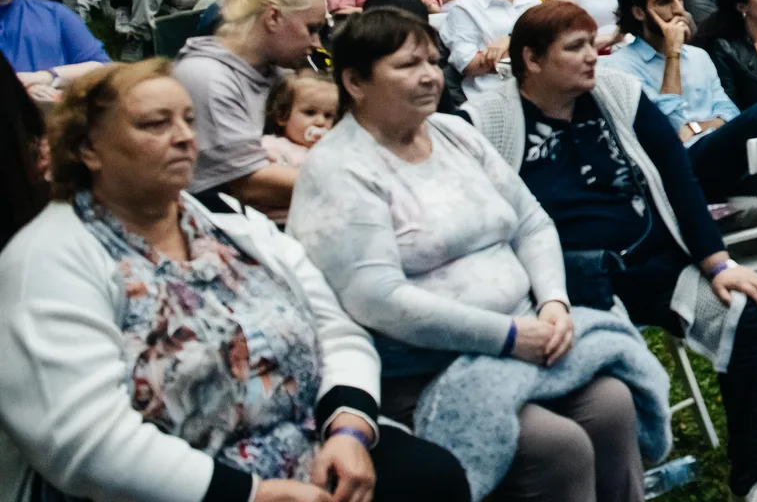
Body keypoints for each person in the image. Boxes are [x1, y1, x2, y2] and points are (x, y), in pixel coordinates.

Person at [0, 60, 469, 502]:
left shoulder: (230, 223)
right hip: (185, 486)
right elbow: (81, 440)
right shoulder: (49, 258)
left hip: (311, 446)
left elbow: (337, 330)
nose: (184, 137)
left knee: (431, 475)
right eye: (155, 124)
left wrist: (348, 429)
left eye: (188, 120)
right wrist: (248, 493)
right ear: (87, 149)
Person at [288, 8, 666, 502]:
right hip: (427, 366)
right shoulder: (339, 168)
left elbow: (532, 222)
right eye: (406, 65)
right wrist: (509, 336)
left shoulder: (453, 133)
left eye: (431, 60)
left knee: (614, 404)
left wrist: (553, 302)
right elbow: (376, 297)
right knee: (559, 446)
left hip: (526, 338)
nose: (428, 75)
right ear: (355, 81)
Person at [465, 1, 757, 502]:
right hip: (564, 287)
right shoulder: (485, 121)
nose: (593, 56)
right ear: (530, 59)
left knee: (747, 311)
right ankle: (616, 475)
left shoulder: (618, 91)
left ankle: (754, 480)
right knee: (604, 379)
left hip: (653, 262)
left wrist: (717, 262)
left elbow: (680, 176)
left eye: (593, 43)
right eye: (575, 48)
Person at [605, 0, 757, 201]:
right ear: (639, 12)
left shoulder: (699, 56)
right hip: (675, 166)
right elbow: (668, 131)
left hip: (716, 157)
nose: (679, 9)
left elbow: (729, 112)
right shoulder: (619, 68)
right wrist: (673, 54)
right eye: (665, 1)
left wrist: (696, 128)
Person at [177, 0, 329, 223]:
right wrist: (351, 181)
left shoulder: (274, 70)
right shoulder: (207, 77)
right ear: (273, 17)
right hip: (232, 226)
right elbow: (248, 183)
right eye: (311, 29)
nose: (317, 44)